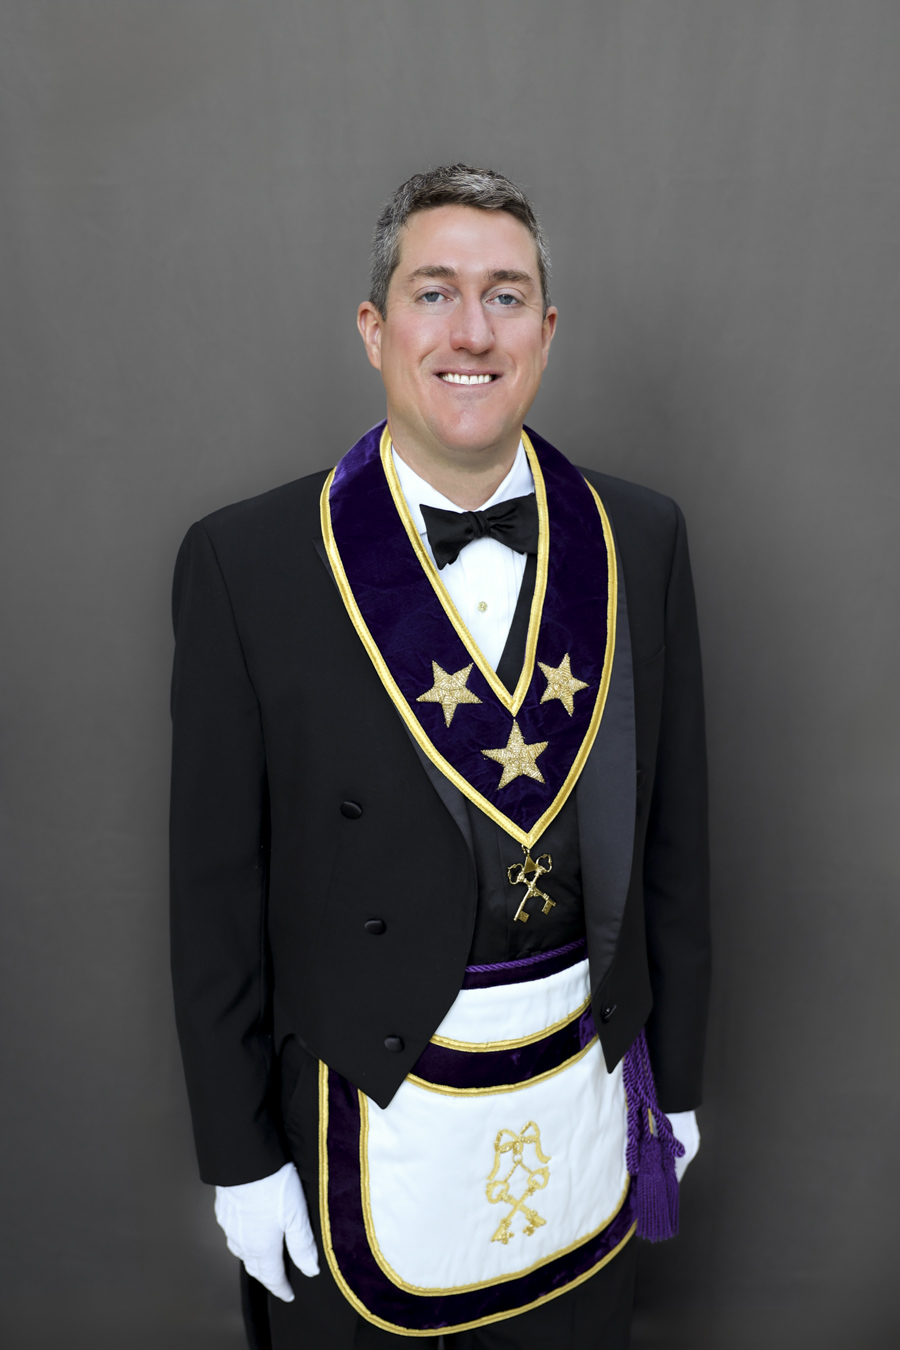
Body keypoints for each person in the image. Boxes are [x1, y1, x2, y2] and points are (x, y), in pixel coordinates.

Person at [170, 164, 710, 1350]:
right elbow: (212, 894)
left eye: (508, 297)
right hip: (364, 1122)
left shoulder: (642, 536)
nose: (473, 332)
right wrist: (240, 1156)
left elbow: (676, 840)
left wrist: (678, 1077)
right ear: (375, 328)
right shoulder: (244, 564)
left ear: (548, 333)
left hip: (582, 1107)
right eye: (435, 293)